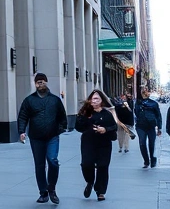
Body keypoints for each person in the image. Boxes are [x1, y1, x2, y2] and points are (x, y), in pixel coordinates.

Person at [18, 73, 68, 204]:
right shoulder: (29, 100)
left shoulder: (55, 100)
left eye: (43, 81)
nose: (40, 84)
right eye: (38, 82)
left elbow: (62, 115)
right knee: (39, 165)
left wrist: (61, 129)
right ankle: (43, 192)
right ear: (35, 84)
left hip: (52, 136)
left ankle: (51, 188)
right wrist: (21, 131)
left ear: (46, 82)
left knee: (53, 160)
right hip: (36, 137)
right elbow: (23, 116)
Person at [75, 90, 118, 201]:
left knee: (103, 166)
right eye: (92, 98)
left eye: (97, 99)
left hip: (104, 144)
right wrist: (83, 115)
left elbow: (114, 127)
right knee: (86, 164)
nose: (94, 101)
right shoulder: (86, 113)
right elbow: (78, 127)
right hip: (88, 143)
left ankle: (100, 191)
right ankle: (90, 181)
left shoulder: (107, 114)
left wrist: (105, 129)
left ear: (101, 101)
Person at [134, 87, 163, 168]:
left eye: (146, 91)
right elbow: (136, 113)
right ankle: (146, 161)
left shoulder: (154, 103)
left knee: (151, 144)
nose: (144, 93)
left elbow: (158, 116)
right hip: (141, 126)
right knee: (142, 143)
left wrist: (159, 127)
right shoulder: (138, 103)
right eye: (143, 92)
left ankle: (153, 159)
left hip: (151, 126)